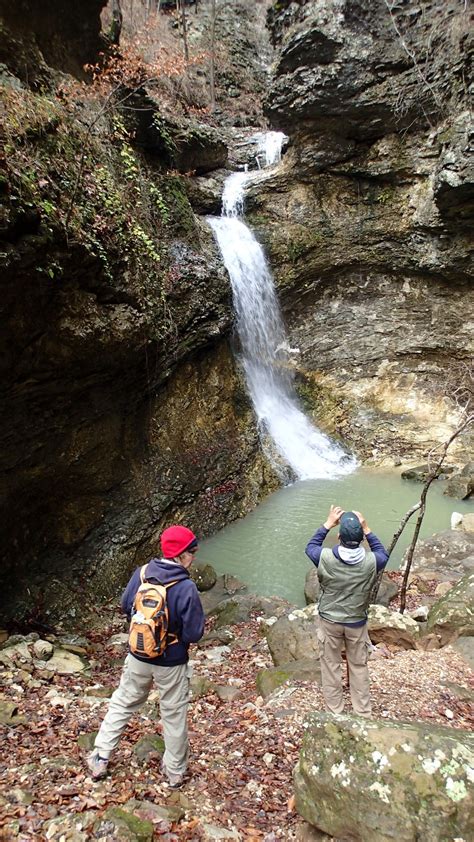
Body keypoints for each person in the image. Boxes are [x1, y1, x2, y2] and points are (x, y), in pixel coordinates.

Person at [87, 525, 205, 787]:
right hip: (171, 662)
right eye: (192, 552)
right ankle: (174, 772)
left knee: (123, 701)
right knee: (173, 714)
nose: (194, 556)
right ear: (180, 555)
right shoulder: (185, 587)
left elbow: (124, 606)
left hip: (138, 656)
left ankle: (100, 756)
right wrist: (175, 641)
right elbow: (195, 633)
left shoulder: (140, 574)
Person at [305, 506, 388, 717]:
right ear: (361, 538)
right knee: (359, 666)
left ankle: (335, 713)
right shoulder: (373, 561)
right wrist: (367, 527)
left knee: (331, 665)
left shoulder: (324, 557)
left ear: (339, 536)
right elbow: (381, 551)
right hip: (356, 622)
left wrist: (328, 523)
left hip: (330, 620)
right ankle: (363, 713)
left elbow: (310, 546)